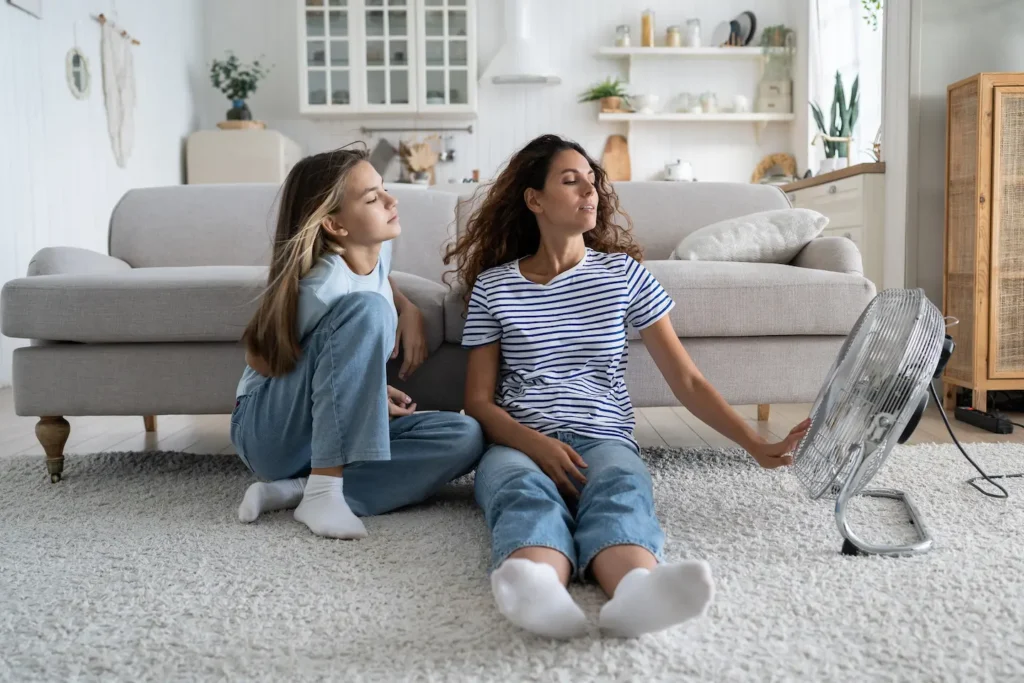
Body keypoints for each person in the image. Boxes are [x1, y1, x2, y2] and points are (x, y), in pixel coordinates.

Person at [443, 134, 810, 639]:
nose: (589, 192)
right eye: (570, 182)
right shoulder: (495, 286)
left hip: (603, 437)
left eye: (592, 182)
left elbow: (685, 378)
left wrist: (754, 442)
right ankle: (541, 592)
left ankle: (637, 591)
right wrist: (536, 445)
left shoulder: (623, 275)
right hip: (518, 441)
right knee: (521, 493)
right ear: (534, 200)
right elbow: (477, 402)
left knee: (621, 489)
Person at [230, 146, 484, 539]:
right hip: (270, 436)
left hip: (323, 442)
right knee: (369, 311)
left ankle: (296, 490)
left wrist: (407, 309)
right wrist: (350, 389)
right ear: (336, 225)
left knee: (465, 436)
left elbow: (378, 280)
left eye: (383, 189)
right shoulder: (321, 286)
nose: (390, 199)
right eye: (372, 198)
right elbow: (263, 361)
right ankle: (324, 491)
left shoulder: (379, 251)